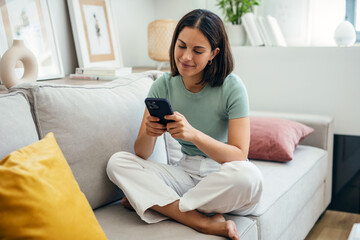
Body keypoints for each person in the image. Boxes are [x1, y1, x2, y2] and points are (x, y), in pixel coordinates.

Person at [107, 9, 263, 240]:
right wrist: (151, 133)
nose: (186, 57)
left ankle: (157, 203)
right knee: (117, 162)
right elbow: (141, 152)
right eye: (181, 46)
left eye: (198, 50)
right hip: (185, 174)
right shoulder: (163, 86)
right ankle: (198, 220)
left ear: (214, 53)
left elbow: (239, 155)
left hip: (222, 176)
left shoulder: (232, 87)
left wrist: (194, 135)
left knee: (250, 177)